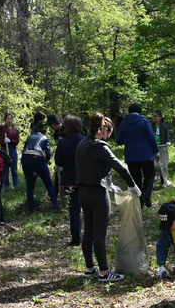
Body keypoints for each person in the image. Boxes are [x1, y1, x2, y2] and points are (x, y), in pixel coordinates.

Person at [76, 113, 141, 282]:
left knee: (88, 230)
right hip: (98, 193)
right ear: (104, 129)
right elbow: (121, 167)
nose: (110, 135)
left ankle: (90, 268)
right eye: (110, 131)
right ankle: (104, 272)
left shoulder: (82, 143)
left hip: (83, 192)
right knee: (99, 233)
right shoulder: (100, 146)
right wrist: (132, 185)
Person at [116, 103, 158, 207]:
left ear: (129, 111)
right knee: (150, 175)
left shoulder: (124, 123)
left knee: (136, 179)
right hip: (146, 155)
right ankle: (146, 196)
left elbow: (119, 140)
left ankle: (139, 202)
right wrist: (156, 151)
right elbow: (151, 138)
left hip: (131, 157)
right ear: (140, 112)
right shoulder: (144, 121)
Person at [54, 114, 86, 246]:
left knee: (74, 210)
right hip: (86, 180)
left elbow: (58, 162)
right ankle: (92, 237)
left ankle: (76, 238)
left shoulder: (62, 142)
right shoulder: (85, 141)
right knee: (89, 209)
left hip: (69, 180)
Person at [22, 112, 58, 213]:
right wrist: (47, 160)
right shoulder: (44, 137)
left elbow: (24, 148)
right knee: (49, 184)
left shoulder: (30, 137)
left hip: (26, 158)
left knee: (30, 185)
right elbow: (48, 152)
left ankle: (31, 209)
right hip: (37, 158)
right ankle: (55, 206)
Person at [0, 112, 20, 190]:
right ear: (5, 120)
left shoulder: (15, 130)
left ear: (12, 120)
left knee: (13, 167)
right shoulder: (2, 128)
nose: (9, 120)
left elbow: (17, 140)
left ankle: (15, 185)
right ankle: (6, 185)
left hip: (13, 149)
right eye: (8, 119)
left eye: (11, 119)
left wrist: (10, 141)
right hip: (4, 149)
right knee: (5, 167)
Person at [151, 110, 171, 187]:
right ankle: (153, 179)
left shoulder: (164, 126)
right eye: (153, 116)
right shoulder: (150, 126)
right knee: (155, 164)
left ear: (160, 117)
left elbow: (167, 137)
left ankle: (163, 180)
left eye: (156, 116)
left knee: (163, 164)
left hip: (162, 147)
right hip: (153, 147)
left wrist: (168, 142)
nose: (154, 118)